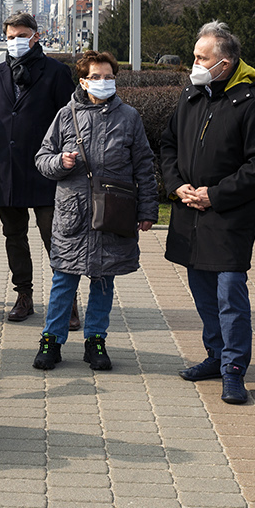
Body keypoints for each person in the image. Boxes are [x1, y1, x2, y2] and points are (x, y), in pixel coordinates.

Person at [160, 21, 255, 406]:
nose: (194, 64)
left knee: (229, 295)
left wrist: (215, 195)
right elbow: (168, 144)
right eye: (195, 56)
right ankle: (215, 355)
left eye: (201, 58)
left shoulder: (253, 103)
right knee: (203, 294)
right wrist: (176, 185)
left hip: (228, 218)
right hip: (190, 214)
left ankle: (234, 369)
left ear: (224, 64)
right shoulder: (190, 95)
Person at [33, 50, 158, 371]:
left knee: (103, 280)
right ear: (83, 81)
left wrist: (147, 209)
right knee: (64, 279)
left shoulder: (129, 117)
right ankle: (51, 340)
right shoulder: (66, 115)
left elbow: (144, 165)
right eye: (97, 77)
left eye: (109, 77)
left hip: (114, 212)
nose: (104, 82)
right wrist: (59, 162)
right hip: (73, 214)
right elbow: (42, 158)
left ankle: (96, 340)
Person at [0, 12, 75, 323]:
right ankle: (24, 295)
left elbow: (70, 120)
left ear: (36, 36)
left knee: (55, 238)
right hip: (6, 170)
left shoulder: (57, 72)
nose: (15, 41)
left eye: (21, 36)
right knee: (14, 236)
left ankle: (67, 302)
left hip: (47, 170)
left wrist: (64, 160)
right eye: (10, 37)